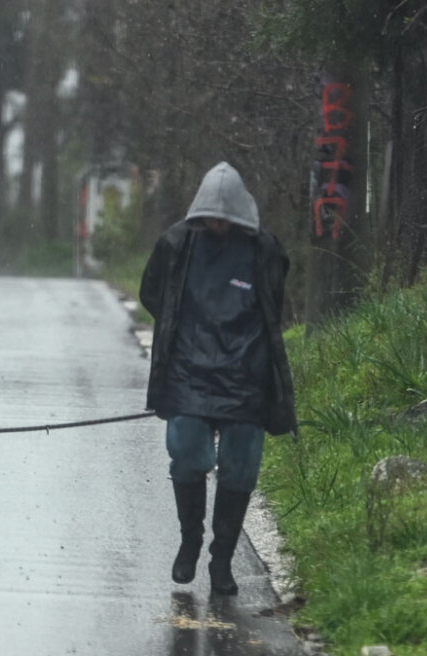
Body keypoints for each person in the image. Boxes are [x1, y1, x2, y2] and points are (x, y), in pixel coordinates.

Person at [139, 161, 297, 595]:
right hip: (189, 368)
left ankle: (222, 559)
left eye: (224, 218)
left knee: (240, 466)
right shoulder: (175, 243)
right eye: (210, 215)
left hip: (246, 373)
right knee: (186, 452)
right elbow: (153, 293)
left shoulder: (265, 249)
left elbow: (273, 301)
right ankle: (189, 542)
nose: (216, 223)